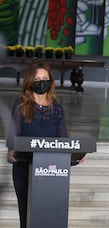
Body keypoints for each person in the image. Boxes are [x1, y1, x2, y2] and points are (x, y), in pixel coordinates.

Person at [6, 62, 81, 228]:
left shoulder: (57, 109)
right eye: (37, 79)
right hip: (25, 170)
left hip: (52, 172)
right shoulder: (21, 106)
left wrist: (75, 157)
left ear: (51, 81)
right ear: (30, 82)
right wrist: (12, 152)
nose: (41, 82)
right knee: (27, 217)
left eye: (45, 79)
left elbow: (63, 141)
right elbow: (13, 139)